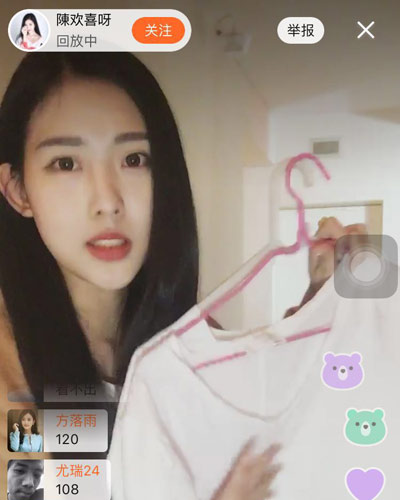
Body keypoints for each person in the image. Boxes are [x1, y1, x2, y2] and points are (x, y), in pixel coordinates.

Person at [0, 52, 282, 500]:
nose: (108, 201)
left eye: (134, 159)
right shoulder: (9, 369)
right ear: (18, 191)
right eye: (66, 163)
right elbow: (29, 485)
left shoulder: (194, 337)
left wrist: (324, 309)